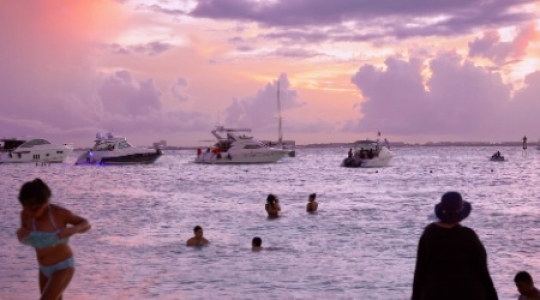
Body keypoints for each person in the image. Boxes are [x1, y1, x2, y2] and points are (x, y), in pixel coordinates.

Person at [411, 191, 498, 300]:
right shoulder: (468, 236)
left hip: (435, 294)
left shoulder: (429, 234)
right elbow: (483, 272)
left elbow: (419, 272)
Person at [16, 178, 91, 300]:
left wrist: (72, 230)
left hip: (63, 266)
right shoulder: (25, 215)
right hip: (43, 268)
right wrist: (21, 235)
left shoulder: (58, 214)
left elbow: (86, 224)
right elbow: (26, 237)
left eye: (33, 209)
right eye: (25, 208)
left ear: (45, 202)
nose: (29, 213)